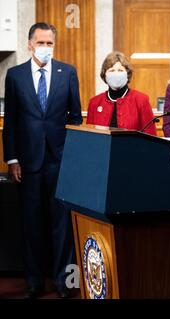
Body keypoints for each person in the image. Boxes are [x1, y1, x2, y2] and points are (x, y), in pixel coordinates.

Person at [2, 22, 83, 298]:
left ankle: (63, 281)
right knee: (32, 224)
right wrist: (12, 159)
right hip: (28, 163)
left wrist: (72, 159)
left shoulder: (67, 73)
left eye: (50, 43)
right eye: (41, 43)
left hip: (60, 161)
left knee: (62, 225)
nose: (46, 48)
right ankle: (34, 281)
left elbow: (75, 119)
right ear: (30, 43)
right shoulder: (14, 75)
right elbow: (11, 121)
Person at [86, 52, 157, 135]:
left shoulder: (141, 100)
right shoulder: (94, 102)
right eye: (112, 70)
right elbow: (89, 136)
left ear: (127, 74)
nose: (116, 74)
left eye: (120, 70)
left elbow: (151, 135)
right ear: (105, 74)